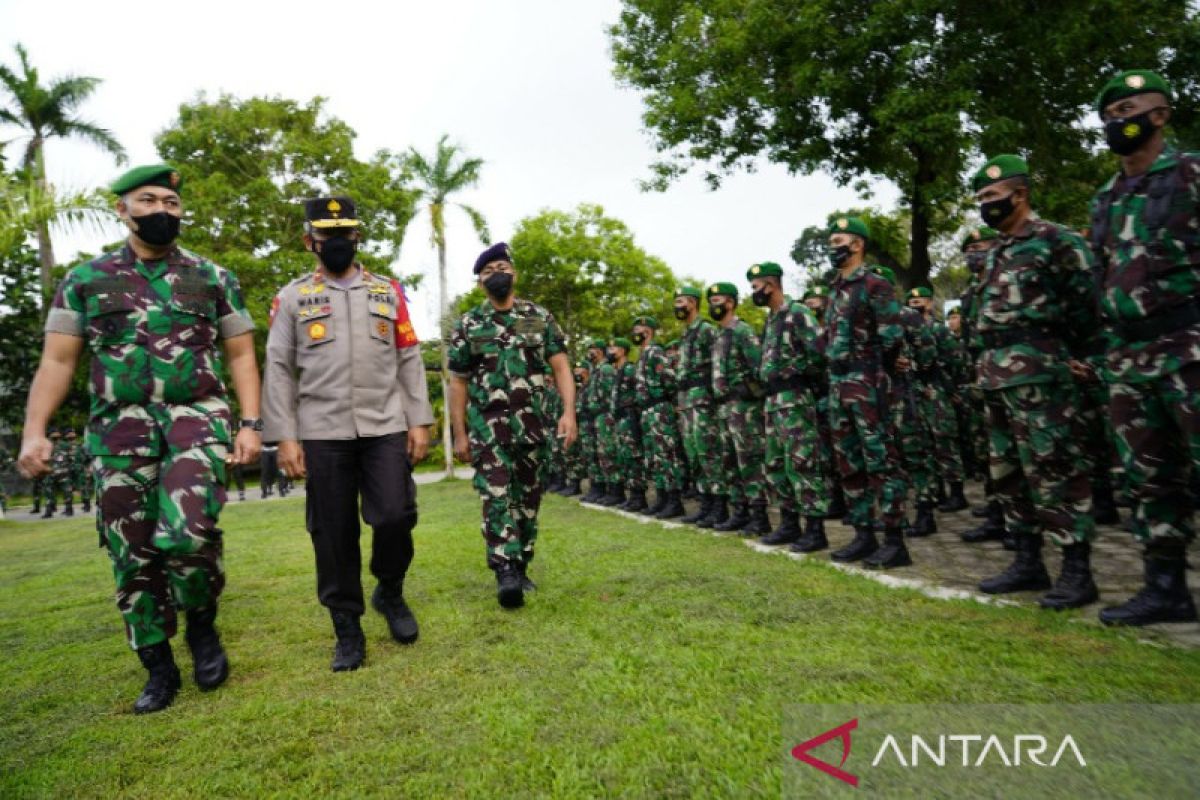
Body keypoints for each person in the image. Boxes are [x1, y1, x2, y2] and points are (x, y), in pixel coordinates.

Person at [18, 163, 261, 713]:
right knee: (132, 554)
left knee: (190, 532)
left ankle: (202, 625)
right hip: (117, 430)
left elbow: (241, 353)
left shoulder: (212, 277)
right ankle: (157, 665)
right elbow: (57, 361)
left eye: (171, 204)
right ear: (121, 209)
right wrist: (34, 431)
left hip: (196, 419)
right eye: (148, 201)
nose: (161, 212)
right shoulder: (85, 280)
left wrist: (250, 423)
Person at [263, 196, 432, 671]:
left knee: (396, 516)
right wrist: (285, 436)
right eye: (327, 235)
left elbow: (408, 356)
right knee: (333, 533)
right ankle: (347, 628)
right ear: (309, 240)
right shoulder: (293, 296)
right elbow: (278, 367)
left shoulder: (388, 292)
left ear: (358, 237)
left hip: (385, 425)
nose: (337, 242)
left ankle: (390, 591)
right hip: (322, 430)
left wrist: (419, 419)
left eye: (346, 234)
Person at [1089, 70, 1200, 625]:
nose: (1116, 121)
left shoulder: (1190, 173)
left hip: (1190, 343)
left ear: (1160, 114)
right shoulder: (1106, 198)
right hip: (1130, 358)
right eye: (1109, 114)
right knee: (1150, 479)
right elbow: (1102, 277)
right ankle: (1166, 587)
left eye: (1128, 109)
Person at [972, 154, 1101, 610]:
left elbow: (1089, 303)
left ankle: (1076, 570)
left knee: (1055, 471)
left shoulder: (1056, 240)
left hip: (1043, 373)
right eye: (981, 198)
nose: (985, 204)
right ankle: (1028, 561)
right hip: (997, 376)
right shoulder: (996, 251)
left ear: (1020, 194)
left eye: (992, 195)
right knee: (1008, 476)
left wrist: (1082, 358)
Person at [448, 243, 577, 609]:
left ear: (514, 274)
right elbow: (457, 382)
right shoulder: (470, 324)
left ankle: (521, 563)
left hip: (533, 424)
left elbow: (561, 366)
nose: (496, 275)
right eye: (488, 272)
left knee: (528, 497)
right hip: (488, 428)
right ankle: (504, 568)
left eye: (502, 267)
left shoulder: (537, 317)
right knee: (497, 495)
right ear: (479, 283)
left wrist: (569, 412)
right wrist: (459, 433)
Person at [822, 216, 910, 568]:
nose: (833, 247)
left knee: (882, 462)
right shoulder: (835, 288)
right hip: (838, 384)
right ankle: (863, 534)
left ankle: (894, 539)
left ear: (857, 244)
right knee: (849, 462)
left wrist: (876, 376)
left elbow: (892, 337)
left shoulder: (874, 284)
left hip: (868, 381)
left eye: (838, 240)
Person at [750, 262, 828, 550]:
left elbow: (819, 354)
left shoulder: (798, 313)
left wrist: (794, 374)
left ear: (771, 285)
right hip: (773, 402)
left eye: (756, 287)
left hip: (795, 400)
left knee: (802, 462)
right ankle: (789, 523)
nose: (754, 293)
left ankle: (815, 529)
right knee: (776, 464)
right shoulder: (771, 320)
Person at [708, 282, 770, 534]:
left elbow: (759, 368)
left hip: (743, 407)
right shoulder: (719, 335)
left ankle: (759, 516)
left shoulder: (742, 331)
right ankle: (740, 511)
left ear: (731, 303)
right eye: (711, 302)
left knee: (750, 461)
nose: (713, 305)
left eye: (718, 300)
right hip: (723, 407)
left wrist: (750, 392)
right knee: (730, 462)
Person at [674, 286, 727, 527]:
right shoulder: (686, 334)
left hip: (703, 400)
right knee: (694, 454)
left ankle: (719, 507)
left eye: (681, 301)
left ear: (693, 303)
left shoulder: (706, 330)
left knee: (709, 453)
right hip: (687, 401)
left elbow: (718, 365)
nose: (678, 306)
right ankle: (705, 505)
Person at [632, 316, 687, 518]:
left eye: (638, 328)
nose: (635, 332)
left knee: (666, 455)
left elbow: (670, 379)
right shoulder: (642, 354)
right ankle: (662, 498)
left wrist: (666, 401)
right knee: (654, 457)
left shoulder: (655, 351)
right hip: (646, 411)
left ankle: (674, 501)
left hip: (658, 409)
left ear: (648, 330)